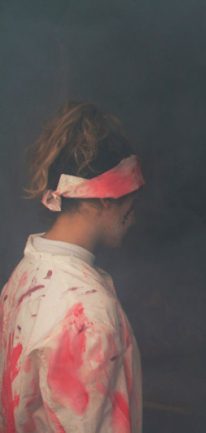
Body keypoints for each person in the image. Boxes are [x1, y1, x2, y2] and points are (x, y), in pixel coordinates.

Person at [0, 102, 144, 433]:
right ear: (107, 198)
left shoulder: (26, 271)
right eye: (132, 199)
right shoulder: (87, 314)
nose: (134, 216)